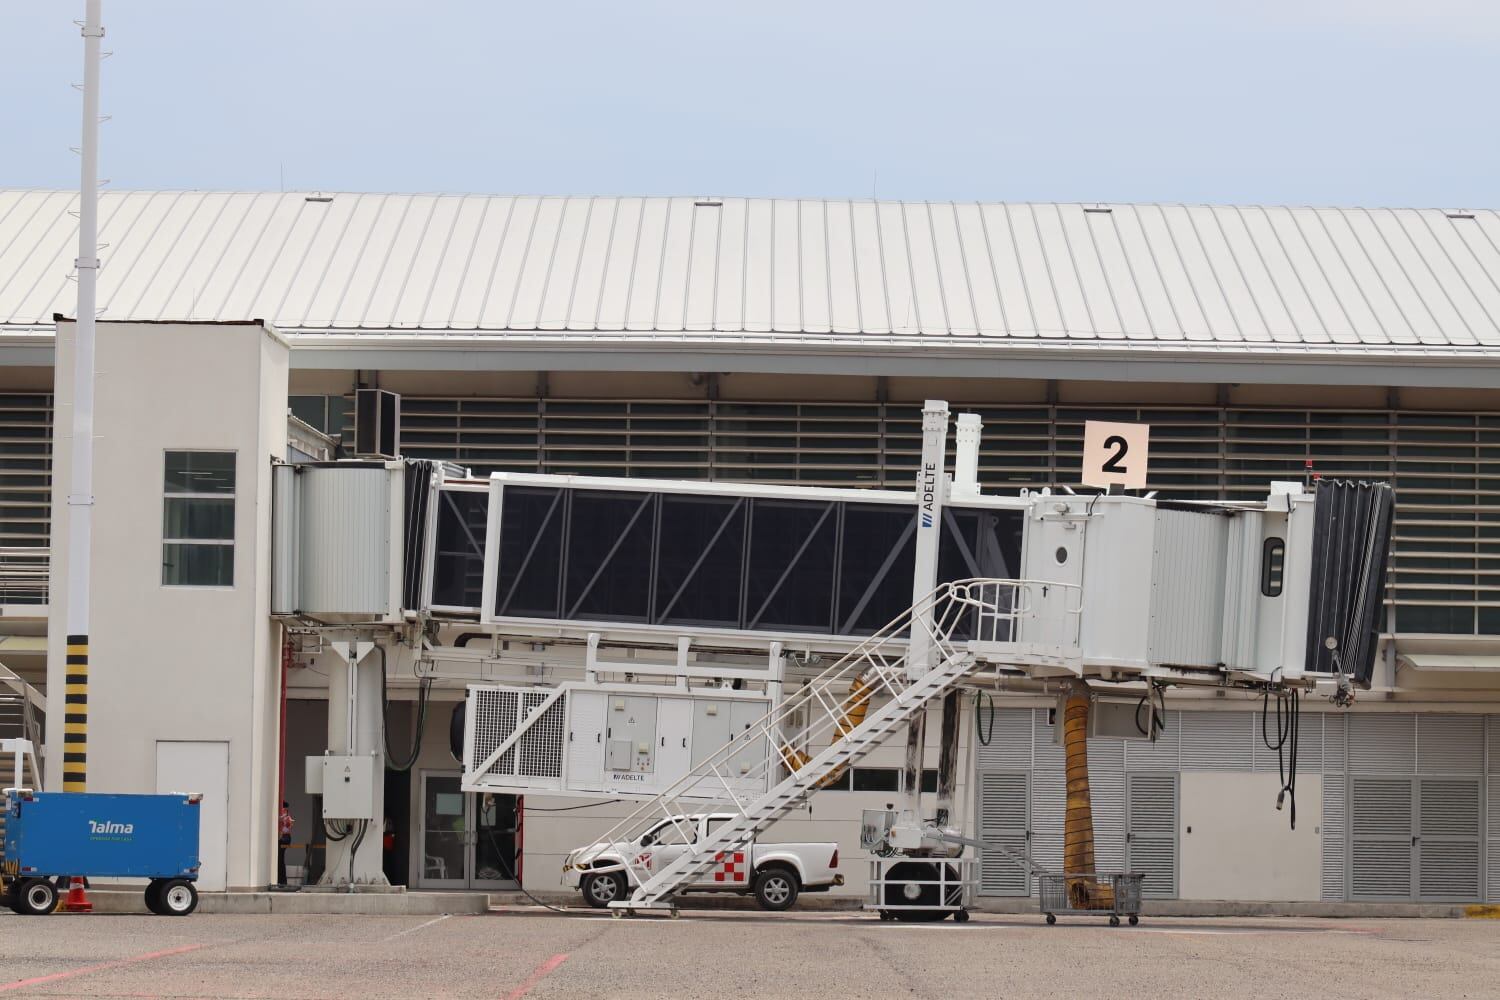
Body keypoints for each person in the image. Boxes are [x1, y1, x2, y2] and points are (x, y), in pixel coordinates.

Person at [278, 801, 294, 886]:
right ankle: (281, 880)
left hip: (284, 838)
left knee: (280, 860)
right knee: (280, 860)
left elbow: (287, 827)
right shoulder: (286, 815)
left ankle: (282, 881)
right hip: (284, 838)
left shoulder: (286, 816)